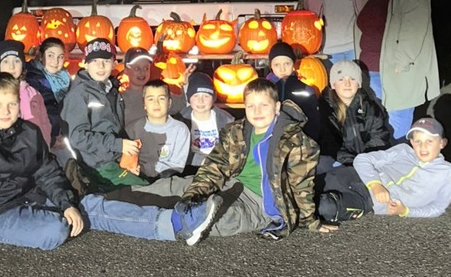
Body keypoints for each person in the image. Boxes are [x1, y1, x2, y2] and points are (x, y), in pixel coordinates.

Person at [0, 73, 226, 251]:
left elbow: (47, 170)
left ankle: (175, 224)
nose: (7, 112)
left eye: (12, 105)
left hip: (28, 196)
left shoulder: (28, 131)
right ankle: (56, 217)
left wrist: (66, 202)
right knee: (55, 230)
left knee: (88, 205)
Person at [119, 78, 337, 239]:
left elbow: (302, 186)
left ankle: (150, 220)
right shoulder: (237, 132)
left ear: (277, 107)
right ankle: (116, 198)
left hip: (262, 203)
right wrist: (192, 194)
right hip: (233, 183)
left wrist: (311, 221)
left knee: (222, 221)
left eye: (264, 105)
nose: (257, 111)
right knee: (173, 187)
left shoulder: (299, 143)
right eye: (251, 105)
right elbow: (216, 166)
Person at [355, 0, 440, 139]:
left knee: (397, 119)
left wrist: (401, 63)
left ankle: (398, 158)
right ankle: (379, 159)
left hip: (395, 68)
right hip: (369, 66)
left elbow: (415, 30)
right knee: (375, 118)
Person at [317, 117, 451, 224]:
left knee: (327, 207)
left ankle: (303, 213)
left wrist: (406, 211)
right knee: (318, 168)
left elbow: (438, 208)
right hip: (356, 177)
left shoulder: (449, 174)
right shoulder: (403, 151)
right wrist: (375, 184)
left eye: (429, 141)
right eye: (418, 141)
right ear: (411, 142)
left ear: (442, 143)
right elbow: (362, 159)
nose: (423, 147)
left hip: (367, 200)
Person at [60, 38, 148, 190]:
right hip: (97, 167)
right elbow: (77, 137)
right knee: (147, 191)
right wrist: (118, 145)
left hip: (115, 160)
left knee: (150, 184)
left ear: (114, 63)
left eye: (106, 61)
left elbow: (116, 129)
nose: (101, 66)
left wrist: (128, 161)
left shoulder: (112, 90)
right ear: (85, 64)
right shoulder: (79, 94)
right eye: (95, 61)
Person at [317, 59, 392, 175]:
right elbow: (329, 144)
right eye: (341, 79)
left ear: (359, 83)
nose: (347, 84)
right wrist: (353, 163)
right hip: (340, 164)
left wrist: (366, 161)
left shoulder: (370, 106)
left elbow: (379, 136)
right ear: (333, 84)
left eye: (352, 79)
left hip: (369, 161)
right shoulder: (324, 109)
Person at [126, 79, 191, 180]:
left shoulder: (180, 130)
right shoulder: (133, 129)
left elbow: (176, 166)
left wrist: (145, 168)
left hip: (167, 179)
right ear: (144, 104)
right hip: (137, 178)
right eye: (150, 99)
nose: (156, 103)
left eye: (161, 98)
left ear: (169, 102)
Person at [0, 39, 52, 147]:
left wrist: (45, 147)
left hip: (35, 150)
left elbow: (44, 123)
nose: (11, 67)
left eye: (16, 61)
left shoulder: (33, 93)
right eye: (6, 61)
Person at [177, 72, 234, 173]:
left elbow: (231, 149)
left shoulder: (226, 120)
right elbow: (178, 151)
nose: (200, 101)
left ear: (213, 98)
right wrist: (202, 161)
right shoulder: (180, 120)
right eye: (196, 96)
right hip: (190, 164)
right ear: (189, 98)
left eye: (206, 96)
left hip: (218, 165)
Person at [120, 47, 188, 128]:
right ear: (126, 70)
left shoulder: (159, 94)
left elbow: (181, 104)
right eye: (137, 68)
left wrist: (185, 84)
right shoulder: (119, 100)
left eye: (146, 68)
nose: (142, 72)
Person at [265, 42, 320, 142]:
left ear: (294, 64)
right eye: (277, 65)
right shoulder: (264, 90)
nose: (282, 69)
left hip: (299, 140)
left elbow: (313, 121)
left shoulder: (306, 90)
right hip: (271, 139)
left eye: (287, 64)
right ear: (271, 66)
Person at [25, 37, 72, 145]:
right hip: (44, 137)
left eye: (60, 57)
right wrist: (51, 140)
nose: (55, 62)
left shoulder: (65, 77)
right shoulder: (32, 78)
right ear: (41, 56)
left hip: (63, 135)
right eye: (50, 55)